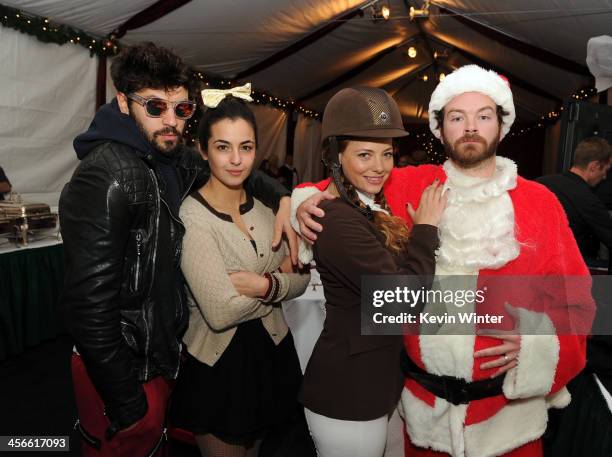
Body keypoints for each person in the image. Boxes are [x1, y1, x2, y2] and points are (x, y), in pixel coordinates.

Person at [292, 65, 594, 457]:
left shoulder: (541, 204)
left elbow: (580, 305)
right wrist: (298, 202)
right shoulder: (409, 185)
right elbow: (337, 186)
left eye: (483, 116)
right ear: (440, 128)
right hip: (423, 421)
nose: (470, 127)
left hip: (510, 426)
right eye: (457, 117)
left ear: (501, 127)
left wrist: (542, 344)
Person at [59, 43, 295, 457]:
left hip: (162, 355)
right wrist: (128, 403)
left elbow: (232, 168)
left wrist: (285, 198)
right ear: (122, 102)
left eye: (181, 110)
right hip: (123, 367)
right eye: (155, 107)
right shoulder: (106, 175)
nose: (170, 121)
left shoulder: (170, 156)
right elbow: (87, 307)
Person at [295, 86, 445, 457]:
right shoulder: (337, 219)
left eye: (386, 154)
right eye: (364, 154)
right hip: (347, 395)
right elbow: (403, 301)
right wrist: (425, 230)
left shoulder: (365, 209)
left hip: (370, 387)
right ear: (336, 157)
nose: (379, 167)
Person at [168, 89, 310, 457]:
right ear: (203, 150)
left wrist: (264, 285)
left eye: (246, 148)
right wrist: (278, 287)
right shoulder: (192, 217)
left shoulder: (268, 212)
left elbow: (303, 278)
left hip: (271, 356)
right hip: (220, 369)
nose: (236, 160)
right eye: (223, 147)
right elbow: (220, 311)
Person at [537, 137, 612, 266]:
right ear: (593, 167)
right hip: (563, 272)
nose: (605, 176)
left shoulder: (539, 183)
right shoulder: (589, 201)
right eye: (605, 170)